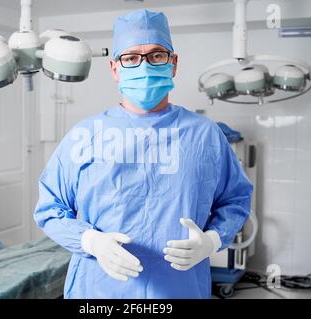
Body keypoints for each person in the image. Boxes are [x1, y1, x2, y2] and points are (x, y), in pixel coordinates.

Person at [34, 9, 253, 299]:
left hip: (180, 289)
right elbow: (50, 208)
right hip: (100, 290)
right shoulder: (84, 135)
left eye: (156, 55)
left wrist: (211, 241)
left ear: (173, 64)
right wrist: (91, 242)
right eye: (132, 57)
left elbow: (236, 199)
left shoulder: (205, 135)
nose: (145, 65)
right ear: (115, 68)